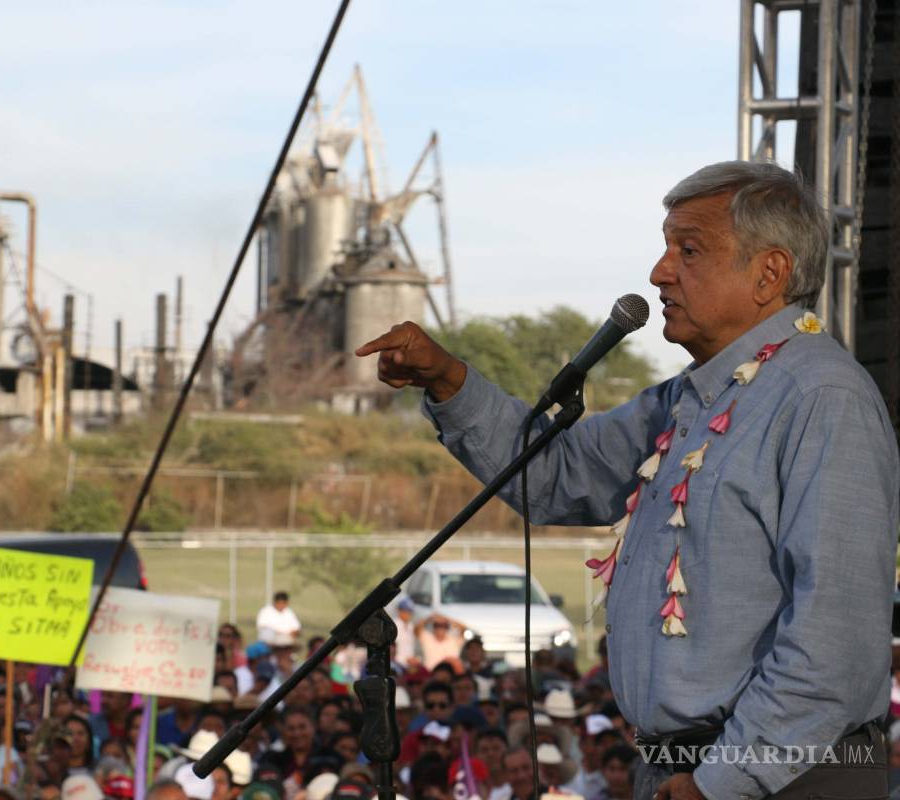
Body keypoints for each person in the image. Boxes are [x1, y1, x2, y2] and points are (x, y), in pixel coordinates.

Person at [355, 160, 899, 799]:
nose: (659, 272)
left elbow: (835, 634)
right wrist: (450, 381)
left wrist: (725, 779)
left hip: (788, 776)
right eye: (666, 248)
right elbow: (557, 475)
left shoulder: (821, 396)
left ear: (769, 273)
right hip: (683, 771)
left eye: (687, 250)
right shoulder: (687, 398)